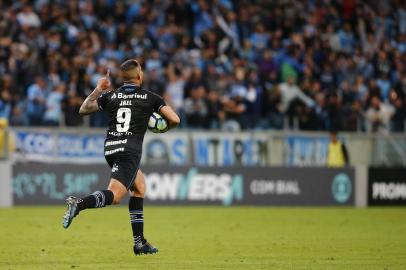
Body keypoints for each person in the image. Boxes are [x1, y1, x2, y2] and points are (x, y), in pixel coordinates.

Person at [62, 59, 180, 255]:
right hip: (129, 152)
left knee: (139, 187)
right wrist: (164, 128)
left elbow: (83, 109)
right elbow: (175, 119)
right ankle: (79, 204)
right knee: (115, 196)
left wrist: (98, 89)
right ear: (140, 75)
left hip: (110, 149)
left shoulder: (111, 95)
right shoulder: (150, 98)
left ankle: (140, 242)